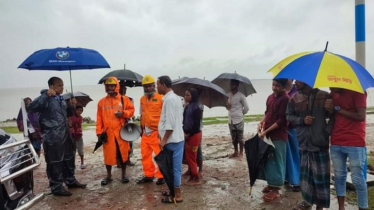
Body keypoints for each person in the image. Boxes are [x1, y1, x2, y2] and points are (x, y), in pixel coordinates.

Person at [27, 77, 86, 196]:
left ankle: (70, 180)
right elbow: (31, 107)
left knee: (69, 158)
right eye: (59, 85)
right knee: (55, 161)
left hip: (65, 133)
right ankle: (56, 186)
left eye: (62, 85)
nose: (62, 87)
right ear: (51, 87)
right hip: (52, 135)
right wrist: (45, 95)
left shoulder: (61, 99)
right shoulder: (45, 98)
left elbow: (66, 114)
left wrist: (72, 105)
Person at [287, 81, 333, 210]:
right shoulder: (294, 98)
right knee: (306, 177)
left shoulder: (324, 96)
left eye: (299, 79)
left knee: (321, 178)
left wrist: (326, 132)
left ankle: (320, 206)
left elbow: (334, 117)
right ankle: (307, 201)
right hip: (303, 143)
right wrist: (301, 120)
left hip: (320, 143)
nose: (295, 82)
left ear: (308, 80)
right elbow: (289, 116)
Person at [325, 88, 368, 210]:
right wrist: (328, 109)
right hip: (336, 140)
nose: (330, 87)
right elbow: (330, 114)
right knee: (339, 176)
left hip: (355, 141)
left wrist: (337, 109)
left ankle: (362, 207)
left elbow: (361, 116)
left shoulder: (359, 91)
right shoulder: (333, 94)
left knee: (357, 178)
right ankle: (341, 207)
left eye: (332, 84)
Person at [96, 77, 135, 185]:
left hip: (121, 132)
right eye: (107, 85)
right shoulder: (101, 102)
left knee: (123, 154)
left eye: (112, 85)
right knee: (108, 155)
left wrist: (123, 113)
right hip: (107, 133)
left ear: (116, 86)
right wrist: (99, 132)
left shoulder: (124, 99)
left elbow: (131, 111)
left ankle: (124, 175)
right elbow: (99, 118)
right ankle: (108, 176)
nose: (110, 87)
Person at [257, 78, 289, 202]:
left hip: (278, 135)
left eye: (278, 86)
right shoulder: (270, 97)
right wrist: (261, 122)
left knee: (277, 160)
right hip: (268, 134)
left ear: (284, 87)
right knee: (268, 159)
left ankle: (276, 189)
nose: (274, 87)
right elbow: (267, 113)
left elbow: (282, 121)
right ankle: (271, 183)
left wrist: (265, 131)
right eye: (273, 85)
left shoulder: (285, 99)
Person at [157, 75, 184, 204]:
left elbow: (171, 123)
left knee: (174, 168)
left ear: (163, 84)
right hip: (174, 139)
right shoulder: (175, 98)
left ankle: (177, 195)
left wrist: (164, 139)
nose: (157, 87)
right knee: (170, 167)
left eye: (157, 84)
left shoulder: (170, 100)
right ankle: (173, 190)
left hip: (173, 140)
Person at [136, 75, 165, 185]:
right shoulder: (142, 99)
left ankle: (161, 176)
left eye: (149, 86)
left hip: (157, 132)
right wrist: (141, 129)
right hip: (145, 132)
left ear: (154, 86)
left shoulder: (161, 97)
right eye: (145, 86)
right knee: (145, 155)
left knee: (159, 155)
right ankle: (148, 175)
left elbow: (165, 115)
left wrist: (163, 132)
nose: (148, 88)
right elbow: (141, 114)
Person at [182, 88, 202, 185]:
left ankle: (196, 177)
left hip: (194, 135)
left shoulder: (196, 108)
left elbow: (196, 125)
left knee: (192, 156)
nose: (185, 97)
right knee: (188, 155)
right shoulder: (187, 107)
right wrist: (184, 132)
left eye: (188, 95)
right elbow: (184, 121)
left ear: (193, 96)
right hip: (187, 134)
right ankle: (191, 174)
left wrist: (189, 134)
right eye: (185, 95)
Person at [226, 79, 249, 160]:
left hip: (239, 119)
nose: (232, 86)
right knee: (233, 137)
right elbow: (227, 108)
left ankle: (241, 153)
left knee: (240, 137)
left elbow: (246, 108)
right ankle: (235, 151)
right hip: (231, 119)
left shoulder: (241, 96)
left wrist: (241, 113)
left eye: (234, 84)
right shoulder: (228, 95)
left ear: (237, 85)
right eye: (231, 84)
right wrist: (227, 106)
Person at [284, 79, 300, 191]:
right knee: (286, 155)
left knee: (295, 154)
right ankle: (287, 177)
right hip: (283, 128)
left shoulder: (297, 91)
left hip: (295, 128)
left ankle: (297, 181)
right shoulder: (281, 90)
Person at [118, 81, 135, 167]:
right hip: (118, 124)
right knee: (119, 142)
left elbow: (132, 111)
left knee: (129, 142)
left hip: (128, 122)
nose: (123, 89)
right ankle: (119, 161)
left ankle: (128, 159)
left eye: (125, 88)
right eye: (122, 88)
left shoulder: (130, 99)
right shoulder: (115, 100)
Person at [69, 105, 86, 169]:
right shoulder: (71, 117)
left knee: (80, 151)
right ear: (75, 110)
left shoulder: (80, 118)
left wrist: (71, 123)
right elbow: (70, 125)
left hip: (79, 136)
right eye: (78, 110)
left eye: (81, 110)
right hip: (72, 136)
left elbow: (77, 123)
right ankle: (73, 164)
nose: (79, 111)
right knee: (73, 151)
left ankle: (82, 163)